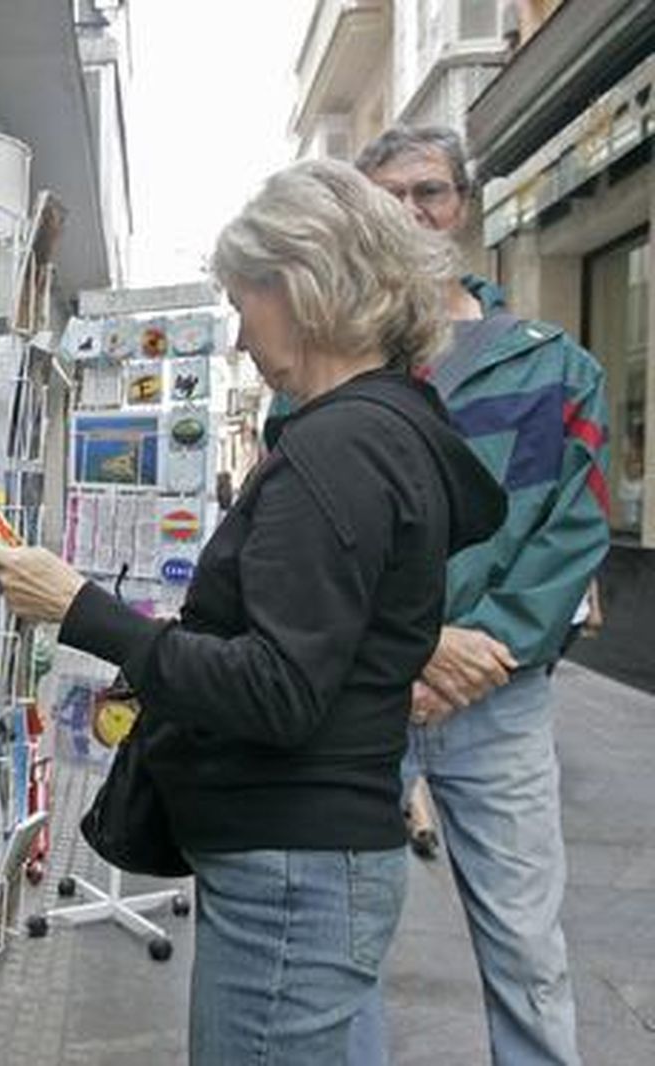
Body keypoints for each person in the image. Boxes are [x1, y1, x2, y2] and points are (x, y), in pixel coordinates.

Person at [0, 159, 507, 1063]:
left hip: (292, 862)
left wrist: (78, 608)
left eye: (242, 300)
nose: (236, 332)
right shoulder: (392, 430)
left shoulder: (337, 450)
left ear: (300, 285)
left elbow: (278, 689)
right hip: (322, 848)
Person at [347, 126, 610, 1066]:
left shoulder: (552, 366)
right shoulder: (330, 361)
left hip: (497, 704)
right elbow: (311, 539)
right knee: (345, 953)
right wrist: (412, 650)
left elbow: (571, 538)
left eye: (430, 192)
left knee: (528, 952)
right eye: (387, 196)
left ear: (466, 204)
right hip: (364, 699)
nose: (411, 213)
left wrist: (475, 652)